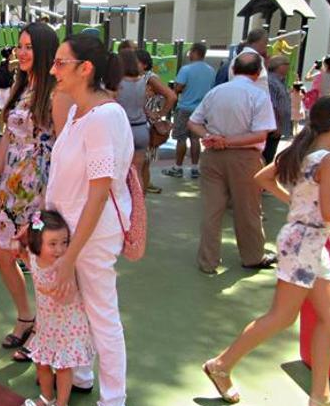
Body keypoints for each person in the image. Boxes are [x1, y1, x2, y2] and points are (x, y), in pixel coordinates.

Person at [203, 95, 330, 406]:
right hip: (303, 245)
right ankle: (220, 365)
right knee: (282, 317)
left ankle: (320, 396)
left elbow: (263, 179)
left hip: (308, 242)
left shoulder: (307, 151)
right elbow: (328, 209)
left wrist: (304, 213)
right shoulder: (329, 160)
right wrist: (311, 216)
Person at [43, 33, 134, 406]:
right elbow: (65, 183)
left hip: (91, 235)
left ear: (86, 69)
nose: (53, 70)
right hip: (72, 232)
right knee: (78, 306)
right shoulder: (81, 114)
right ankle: (80, 373)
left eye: (61, 63)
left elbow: (98, 194)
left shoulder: (103, 117)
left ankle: (113, 404)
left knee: (101, 313)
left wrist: (70, 255)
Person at [0, 22, 72, 354]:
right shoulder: (21, 87)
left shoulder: (57, 93)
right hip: (10, 187)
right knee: (4, 254)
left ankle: (45, 334)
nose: (21, 52)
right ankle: (25, 317)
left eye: (29, 47)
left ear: (46, 51)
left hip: (39, 191)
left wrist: (51, 197)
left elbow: (63, 145)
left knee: (37, 260)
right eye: (20, 45)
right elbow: (7, 136)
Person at [188, 52, 277, 274]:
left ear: (233, 69)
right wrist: (227, 141)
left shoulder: (215, 92)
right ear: (258, 73)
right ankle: (253, 256)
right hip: (244, 158)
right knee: (247, 209)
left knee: (212, 210)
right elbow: (260, 135)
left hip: (212, 156)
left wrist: (210, 137)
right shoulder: (258, 95)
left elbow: (193, 122)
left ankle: (208, 261)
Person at [17, 211, 94, 406]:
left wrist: (52, 286)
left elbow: (66, 297)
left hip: (67, 327)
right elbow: (29, 263)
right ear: (37, 243)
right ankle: (46, 397)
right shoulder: (34, 257)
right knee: (41, 362)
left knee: (62, 368)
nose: (60, 249)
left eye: (64, 242)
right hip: (46, 325)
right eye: (52, 244)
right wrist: (21, 252)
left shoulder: (65, 268)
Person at [116, 49, 176, 192]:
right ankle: (139, 207)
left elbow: (171, 96)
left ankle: (136, 203)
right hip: (142, 127)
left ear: (143, 64)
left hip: (134, 127)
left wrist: (159, 113)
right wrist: (153, 113)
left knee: (137, 169)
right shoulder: (141, 80)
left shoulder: (147, 78)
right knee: (139, 171)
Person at [163, 43, 215, 179]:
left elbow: (178, 87)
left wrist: (175, 90)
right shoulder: (210, 70)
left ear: (195, 52)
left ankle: (178, 167)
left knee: (181, 138)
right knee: (195, 139)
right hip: (201, 109)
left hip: (185, 107)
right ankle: (194, 168)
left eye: (190, 52)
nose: (189, 54)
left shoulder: (186, 69)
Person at [264, 55, 293, 164]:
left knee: (270, 153)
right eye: (286, 64)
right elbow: (272, 104)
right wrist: (276, 124)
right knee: (268, 154)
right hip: (273, 126)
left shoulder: (280, 81)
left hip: (277, 125)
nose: (288, 67)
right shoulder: (271, 81)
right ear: (279, 66)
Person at [0, 46, 16, 133]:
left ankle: (0, 131)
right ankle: (7, 132)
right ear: (10, 55)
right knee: (9, 112)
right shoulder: (12, 64)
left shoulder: (1, 64)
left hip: (0, 92)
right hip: (9, 91)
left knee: (1, 112)